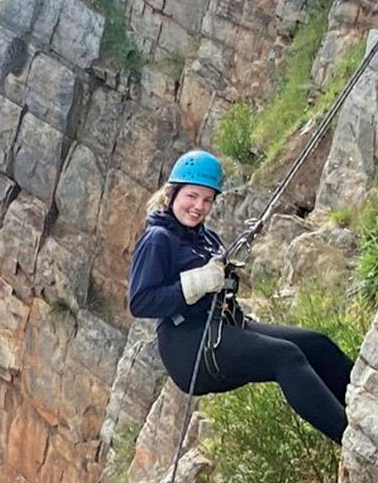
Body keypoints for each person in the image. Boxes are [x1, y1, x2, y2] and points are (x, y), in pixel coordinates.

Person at [126, 150, 352, 443]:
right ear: (172, 194)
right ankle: (349, 439)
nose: (199, 207)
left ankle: (362, 411)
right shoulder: (158, 239)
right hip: (188, 344)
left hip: (224, 326)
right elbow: (140, 301)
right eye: (192, 196)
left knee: (317, 345)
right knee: (284, 356)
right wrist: (194, 283)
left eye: (207, 200)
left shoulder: (205, 238)